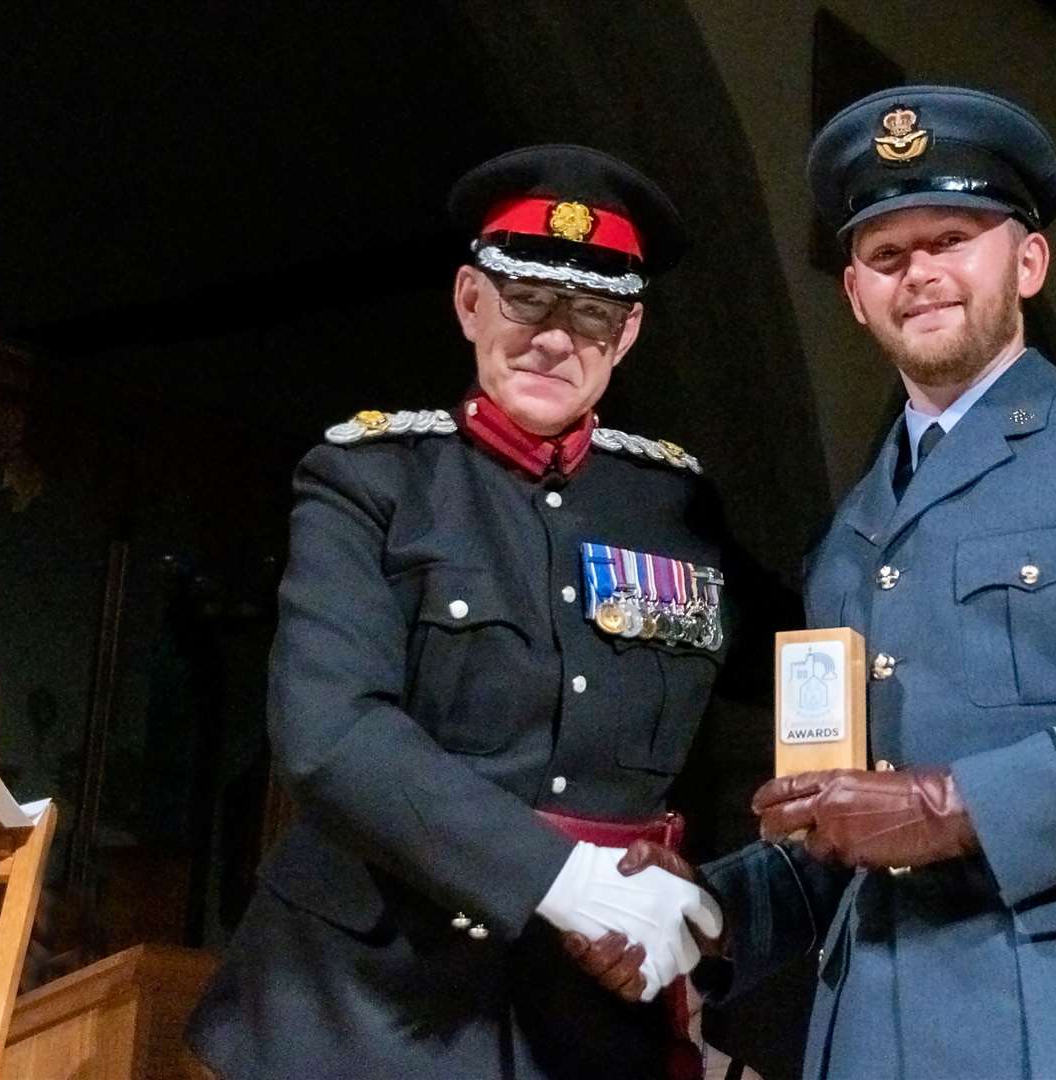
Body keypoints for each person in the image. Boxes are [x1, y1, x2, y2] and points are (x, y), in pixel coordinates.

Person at [598, 85, 1056, 1078]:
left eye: (951, 238)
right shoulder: (847, 541)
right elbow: (851, 830)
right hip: (880, 1027)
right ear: (853, 292)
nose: (918, 273)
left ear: (1027, 261)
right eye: (886, 255)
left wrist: (952, 805)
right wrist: (711, 910)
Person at [185, 144, 730, 1080]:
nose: (555, 337)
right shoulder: (370, 478)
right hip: (364, 1001)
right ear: (471, 302)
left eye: (591, 313)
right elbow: (329, 734)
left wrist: (702, 903)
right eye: (526, 299)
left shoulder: (674, 506)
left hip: (589, 1014)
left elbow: (723, 742)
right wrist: (558, 879)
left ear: (627, 334)